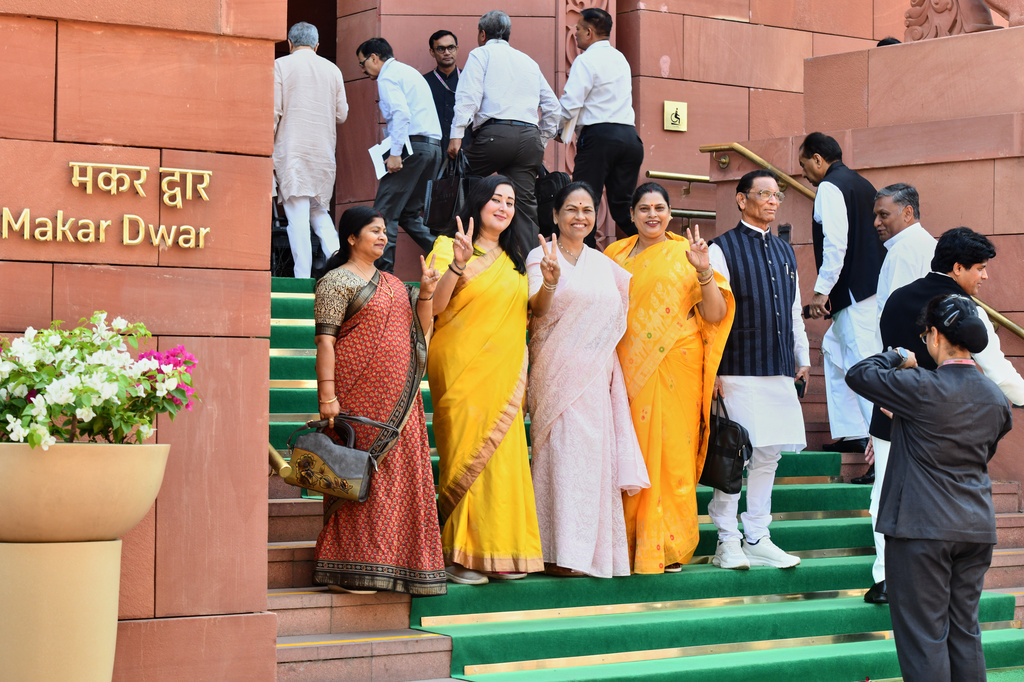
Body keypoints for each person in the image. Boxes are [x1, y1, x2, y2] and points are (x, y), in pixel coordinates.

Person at [847, 294, 1012, 682]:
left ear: (935, 336)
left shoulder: (921, 386)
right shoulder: (995, 398)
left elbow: (858, 373)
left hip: (921, 528)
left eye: (925, 336)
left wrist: (898, 355)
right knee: (964, 633)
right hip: (975, 528)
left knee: (924, 639)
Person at [864, 227, 1024, 605]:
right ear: (957, 267)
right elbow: (998, 372)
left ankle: (886, 577)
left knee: (884, 493)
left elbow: (883, 351)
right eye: (980, 268)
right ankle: (930, 580)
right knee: (942, 497)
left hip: (893, 410)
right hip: (945, 421)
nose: (985, 276)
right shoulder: (965, 310)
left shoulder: (897, 297)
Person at [312, 205, 446, 595]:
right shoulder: (335, 283)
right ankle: (349, 566)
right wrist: (327, 396)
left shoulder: (394, 283)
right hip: (357, 395)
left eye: (385, 230)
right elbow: (325, 340)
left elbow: (420, 335)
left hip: (399, 398)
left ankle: (394, 564)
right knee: (357, 475)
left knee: (396, 478)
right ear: (352, 238)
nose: (383, 236)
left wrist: (428, 295)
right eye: (374, 230)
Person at [605, 182, 735, 574]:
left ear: (670, 213)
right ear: (630, 215)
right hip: (626, 369)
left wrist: (704, 271)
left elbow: (713, 316)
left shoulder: (689, 253)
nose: (652, 215)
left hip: (678, 366)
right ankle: (627, 542)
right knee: (630, 454)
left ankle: (670, 547)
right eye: (643, 208)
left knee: (672, 455)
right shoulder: (614, 255)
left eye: (660, 208)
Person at [525, 181, 650, 578]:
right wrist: (548, 279)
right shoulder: (539, 255)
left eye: (588, 210)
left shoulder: (604, 265)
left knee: (591, 461)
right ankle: (552, 550)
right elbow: (536, 311)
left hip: (597, 375)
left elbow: (619, 311)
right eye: (572, 209)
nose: (581, 216)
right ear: (556, 216)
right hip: (554, 367)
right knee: (559, 455)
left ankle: (587, 552)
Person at [426, 174, 542, 585]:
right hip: (459, 367)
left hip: (505, 371)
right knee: (464, 455)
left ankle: (501, 551)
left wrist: (552, 282)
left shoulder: (517, 260)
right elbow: (435, 306)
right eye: (496, 199)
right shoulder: (446, 246)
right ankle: (460, 556)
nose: (504, 208)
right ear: (478, 202)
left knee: (504, 460)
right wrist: (457, 264)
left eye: (510, 202)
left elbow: (531, 313)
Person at [706, 170, 810, 570]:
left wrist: (802, 358)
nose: (771, 200)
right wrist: (711, 370)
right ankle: (726, 540)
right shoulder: (721, 249)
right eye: (763, 194)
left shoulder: (786, 251)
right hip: (737, 367)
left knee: (769, 457)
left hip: (780, 367)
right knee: (736, 456)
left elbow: (794, 310)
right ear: (740, 199)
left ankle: (757, 536)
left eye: (776, 194)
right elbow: (712, 318)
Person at [859, 183, 936, 594]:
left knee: (887, 489)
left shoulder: (907, 252)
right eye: (875, 215)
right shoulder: (926, 249)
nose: (876, 223)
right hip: (919, 389)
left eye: (883, 214)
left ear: (908, 212)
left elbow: (902, 332)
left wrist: (887, 393)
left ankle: (888, 575)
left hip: (899, 387)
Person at [798, 132, 885, 453]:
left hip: (855, 296)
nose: (803, 174)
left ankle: (879, 454)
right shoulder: (863, 185)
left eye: (804, 164)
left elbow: (836, 244)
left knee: (863, 367)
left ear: (818, 160)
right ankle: (853, 434)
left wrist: (821, 292)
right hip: (872, 292)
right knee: (835, 353)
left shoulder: (829, 187)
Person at [448, 10, 560, 247]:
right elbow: (553, 107)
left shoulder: (481, 54)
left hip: (494, 135)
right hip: (529, 138)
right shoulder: (528, 61)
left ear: (482, 34)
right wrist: (541, 140)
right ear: (508, 35)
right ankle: (531, 270)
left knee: (459, 182)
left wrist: (456, 135)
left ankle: (457, 250)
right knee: (525, 207)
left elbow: (468, 97)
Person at [558, 8, 643, 249]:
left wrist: (556, 131)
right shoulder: (621, 59)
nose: (574, 34)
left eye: (577, 29)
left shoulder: (586, 60)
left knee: (584, 202)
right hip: (629, 138)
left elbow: (571, 103)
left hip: (600, 138)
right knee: (623, 207)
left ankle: (582, 262)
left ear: (589, 31)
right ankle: (657, 249)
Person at [357, 38, 442, 273]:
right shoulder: (407, 72)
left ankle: (383, 276)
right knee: (409, 214)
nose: (363, 70)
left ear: (374, 57)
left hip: (412, 148)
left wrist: (395, 154)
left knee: (384, 213)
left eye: (363, 64)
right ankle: (450, 254)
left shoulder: (387, 76)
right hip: (432, 148)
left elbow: (402, 115)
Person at [274, 22, 348, 279]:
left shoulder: (281, 65)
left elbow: (274, 111)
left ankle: (302, 279)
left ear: (289, 43)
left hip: (292, 151)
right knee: (319, 214)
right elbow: (342, 114)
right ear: (317, 46)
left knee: (297, 217)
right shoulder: (332, 69)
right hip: (323, 154)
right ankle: (346, 272)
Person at [424, 30, 463, 152]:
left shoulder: (469, 79)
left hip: (464, 152)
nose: (447, 53)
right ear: (432, 52)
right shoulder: (423, 82)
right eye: (441, 49)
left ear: (457, 49)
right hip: (433, 153)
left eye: (450, 48)